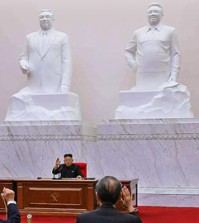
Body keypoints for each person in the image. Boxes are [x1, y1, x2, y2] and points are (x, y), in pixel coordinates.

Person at [125, 2, 180, 89]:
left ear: (162, 14)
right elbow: (128, 51)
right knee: (142, 98)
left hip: (164, 74)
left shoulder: (170, 31)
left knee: (163, 100)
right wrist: (133, 64)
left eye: (156, 11)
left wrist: (174, 74)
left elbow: (175, 54)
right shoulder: (138, 33)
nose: (153, 14)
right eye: (150, 12)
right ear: (147, 15)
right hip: (143, 74)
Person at [19, 9, 72, 93]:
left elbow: (66, 62)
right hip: (33, 85)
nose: (44, 19)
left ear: (53, 19)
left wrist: (65, 85)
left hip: (54, 84)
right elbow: (23, 57)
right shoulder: (30, 37)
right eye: (41, 17)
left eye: (47, 16)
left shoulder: (62, 37)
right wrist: (23, 64)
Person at [76, 176, 142, 223]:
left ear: (97, 196)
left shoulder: (83, 218)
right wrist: (130, 207)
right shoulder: (131, 220)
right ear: (119, 197)